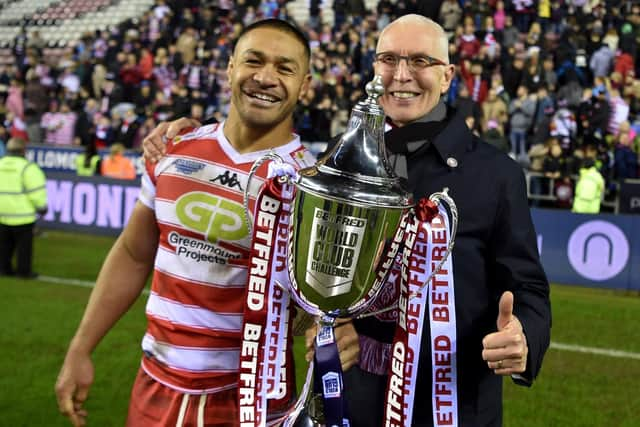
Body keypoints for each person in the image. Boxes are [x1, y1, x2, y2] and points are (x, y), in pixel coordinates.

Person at [143, 15, 551, 427]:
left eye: (421, 61)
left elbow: (528, 287)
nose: (402, 74)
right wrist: (330, 321)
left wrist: (524, 338)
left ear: (447, 77)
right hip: (349, 405)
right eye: (388, 59)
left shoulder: (496, 174)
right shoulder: (340, 154)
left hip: (451, 408)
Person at [55, 19, 315, 427]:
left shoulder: (313, 184)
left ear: (306, 85)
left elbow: (315, 308)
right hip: (154, 387)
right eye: (254, 61)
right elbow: (132, 253)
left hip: (252, 403)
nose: (265, 78)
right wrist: (80, 347)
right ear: (229, 68)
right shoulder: (173, 150)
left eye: (285, 68)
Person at [0, 138, 48, 278]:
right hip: (22, 214)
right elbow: (36, 191)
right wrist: (41, 207)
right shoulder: (28, 168)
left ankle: (4, 269)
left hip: (2, 212)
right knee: (24, 247)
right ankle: (23, 271)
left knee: (4, 245)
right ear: (23, 151)